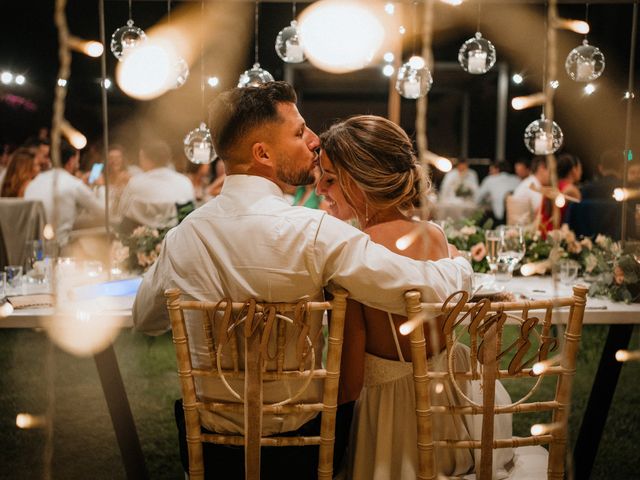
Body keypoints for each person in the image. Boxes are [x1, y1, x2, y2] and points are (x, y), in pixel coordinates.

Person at [132, 82, 472, 479]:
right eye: (299, 132)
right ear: (262, 153)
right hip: (300, 450)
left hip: (209, 448)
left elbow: (145, 319)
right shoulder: (314, 233)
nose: (313, 142)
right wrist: (460, 265)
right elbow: (419, 289)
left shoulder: (185, 235)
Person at [317, 115, 513, 479]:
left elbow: (350, 380)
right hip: (456, 421)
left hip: (393, 438)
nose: (318, 189)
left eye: (329, 178)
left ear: (361, 180)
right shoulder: (434, 236)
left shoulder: (356, 257)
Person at [24, 140, 105, 248]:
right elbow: (104, 212)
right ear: (71, 161)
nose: (78, 164)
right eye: (77, 160)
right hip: (61, 249)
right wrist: (101, 186)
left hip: (34, 248)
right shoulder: (73, 184)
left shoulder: (35, 181)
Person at [117, 140, 195, 230]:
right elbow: (190, 214)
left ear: (147, 159)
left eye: (141, 158)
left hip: (141, 241)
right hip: (178, 237)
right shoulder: (185, 182)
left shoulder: (135, 182)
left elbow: (121, 212)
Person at [512, 155, 549, 224]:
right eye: (551, 171)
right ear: (542, 168)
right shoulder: (532, 186)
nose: (553, 176)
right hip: (522, 230)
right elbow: (541, 212)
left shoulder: (531, 182)